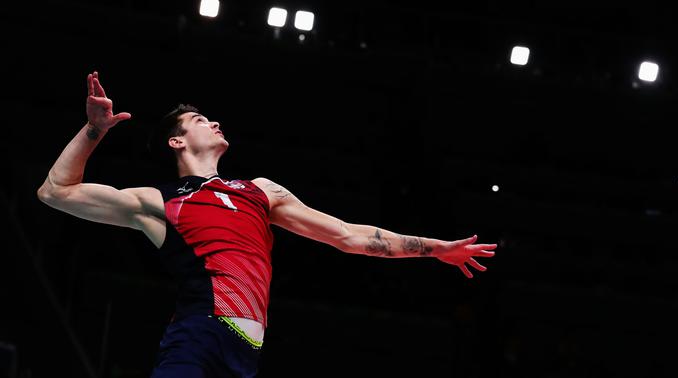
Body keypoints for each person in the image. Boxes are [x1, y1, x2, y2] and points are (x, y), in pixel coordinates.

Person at [37, 71, 498, 377]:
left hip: (245, 351)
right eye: (200, 119)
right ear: (177, 140)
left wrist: (436, 248)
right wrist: (94, 129)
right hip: (199, 335)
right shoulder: (159, 201)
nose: (214, 121)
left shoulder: (260, 191)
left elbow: (349, 235)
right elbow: (55, 193)